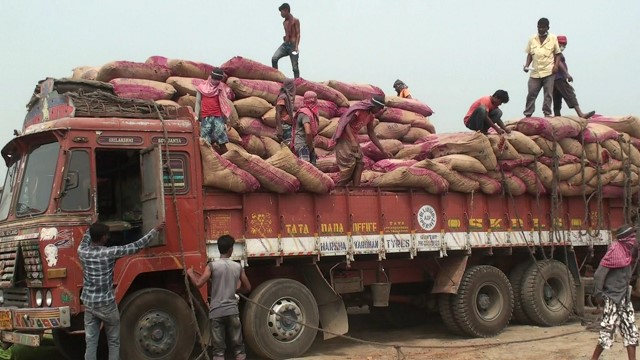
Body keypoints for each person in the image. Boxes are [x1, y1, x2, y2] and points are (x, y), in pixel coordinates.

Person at [78, 222, 163, 360]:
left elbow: (86, 238)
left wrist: (91, 226)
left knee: (91, 343)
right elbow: (136, 246)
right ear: (104, 237)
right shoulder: (110, 253)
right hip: (107, 305)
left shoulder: (82, 252)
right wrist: (154, 230)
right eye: (106, 235)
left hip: (89, 304)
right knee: (113, 342)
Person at [187, 235, 251, 360]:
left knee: (218, 351)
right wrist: (235, 290)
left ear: (219, 249)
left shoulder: (212, 266)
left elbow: (199, 283)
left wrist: (190, 274)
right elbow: (247, 287)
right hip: (232, 312)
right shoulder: (238, 267)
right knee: (238, 348)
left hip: (216, 313)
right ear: (231, 249)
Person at [591, 224, 639, 360]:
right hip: (612, 299)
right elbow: (599, 275)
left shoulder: (626, 252)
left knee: (631, 331)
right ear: (625, 239)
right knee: (607, 332)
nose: (633, 241)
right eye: (632, 238)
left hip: (624, 298)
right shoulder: (614, 252)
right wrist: (598, 295)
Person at [332, 95, 392, 186]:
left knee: (360, 163)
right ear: (374, 106)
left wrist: (382, 150)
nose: (379, 111)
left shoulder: (370, 116)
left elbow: (371, 132)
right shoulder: (359, 111)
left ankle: (356, 188)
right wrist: (352, 140)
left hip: (353, 139)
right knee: (349, 166)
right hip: (344, 138)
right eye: (379, 109)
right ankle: (338, 187)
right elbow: (345, 123)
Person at [523, 17, 561, 118]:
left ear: (547, 28)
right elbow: (530, 54)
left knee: (548, 94)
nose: (540, 29)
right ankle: (528, 114)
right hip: (535, 72)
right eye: (539, 27)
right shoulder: (532, 39)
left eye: (543, 28)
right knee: (531, 93)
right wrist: (527, 65)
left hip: (548, 71)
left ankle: (547, 113)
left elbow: (558, 54)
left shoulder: (553, 38)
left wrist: (556, 66)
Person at [552, 35, 596, 119]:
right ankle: (580, 114)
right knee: (570, 94)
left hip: (554, 79)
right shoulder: (556, 53)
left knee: (557, 97)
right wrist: (566, 74)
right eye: (560, 44)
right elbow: (559, 64)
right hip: (559, 77)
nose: (562, 46)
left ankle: (557, 116)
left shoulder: (555, 52)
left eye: (564, 45)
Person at [195, 68, 235, 154]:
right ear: (211, 77)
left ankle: (226, 156)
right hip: (205, 117)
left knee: (221, 138)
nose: (215, 81)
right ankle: (209, 155)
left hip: (218, 116)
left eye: (218, 80)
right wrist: (196, 115)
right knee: (205, 140)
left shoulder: (220, 88)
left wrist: (226, 119)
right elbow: (198, 102)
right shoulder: (201, 87)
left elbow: (224, 104)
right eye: (214, 79)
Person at [271, 3, 301, 78]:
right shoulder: (284, 22)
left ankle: (297, 82)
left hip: (293, 46)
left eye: (282, 12)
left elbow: (298, 34)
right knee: (274, 58)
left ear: (286, 10)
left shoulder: (295, 20)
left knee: (295, 68)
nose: (281, 14)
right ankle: (276, 77)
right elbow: (287, 33)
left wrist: (296, 47)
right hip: (285, 45)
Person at [290, 91, 319, 164]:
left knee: (312, 169)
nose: (317, 102)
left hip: (307, 144)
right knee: (307, 170)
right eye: (316, 99)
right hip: (303, 145)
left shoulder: (308, 112)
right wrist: (311, 149)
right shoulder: (305, 113)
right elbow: (308, 132)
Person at [275, 78, 296, 143]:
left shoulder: (288, 97)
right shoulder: (283, 97)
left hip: (288, 126)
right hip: (284, 127)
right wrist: (280, 128)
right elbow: (278, 112)